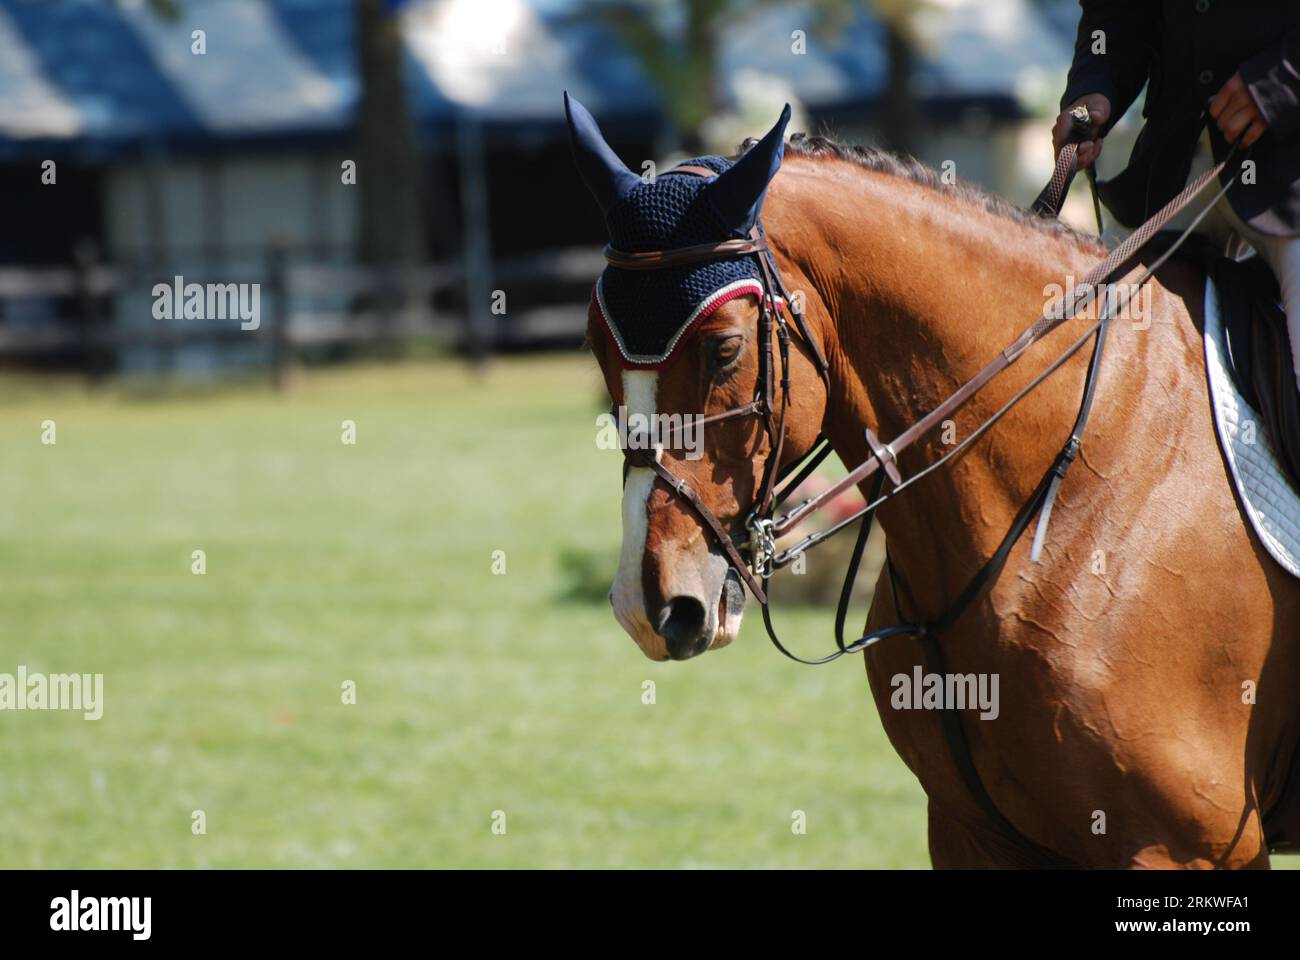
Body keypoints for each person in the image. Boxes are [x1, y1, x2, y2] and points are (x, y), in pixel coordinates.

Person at [1053, 1, 1300, 391]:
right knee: (1072, 344)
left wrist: (1284, 78)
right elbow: (1119, 14)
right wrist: (1094, 88)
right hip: (1171, 166)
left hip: (1291, 179)